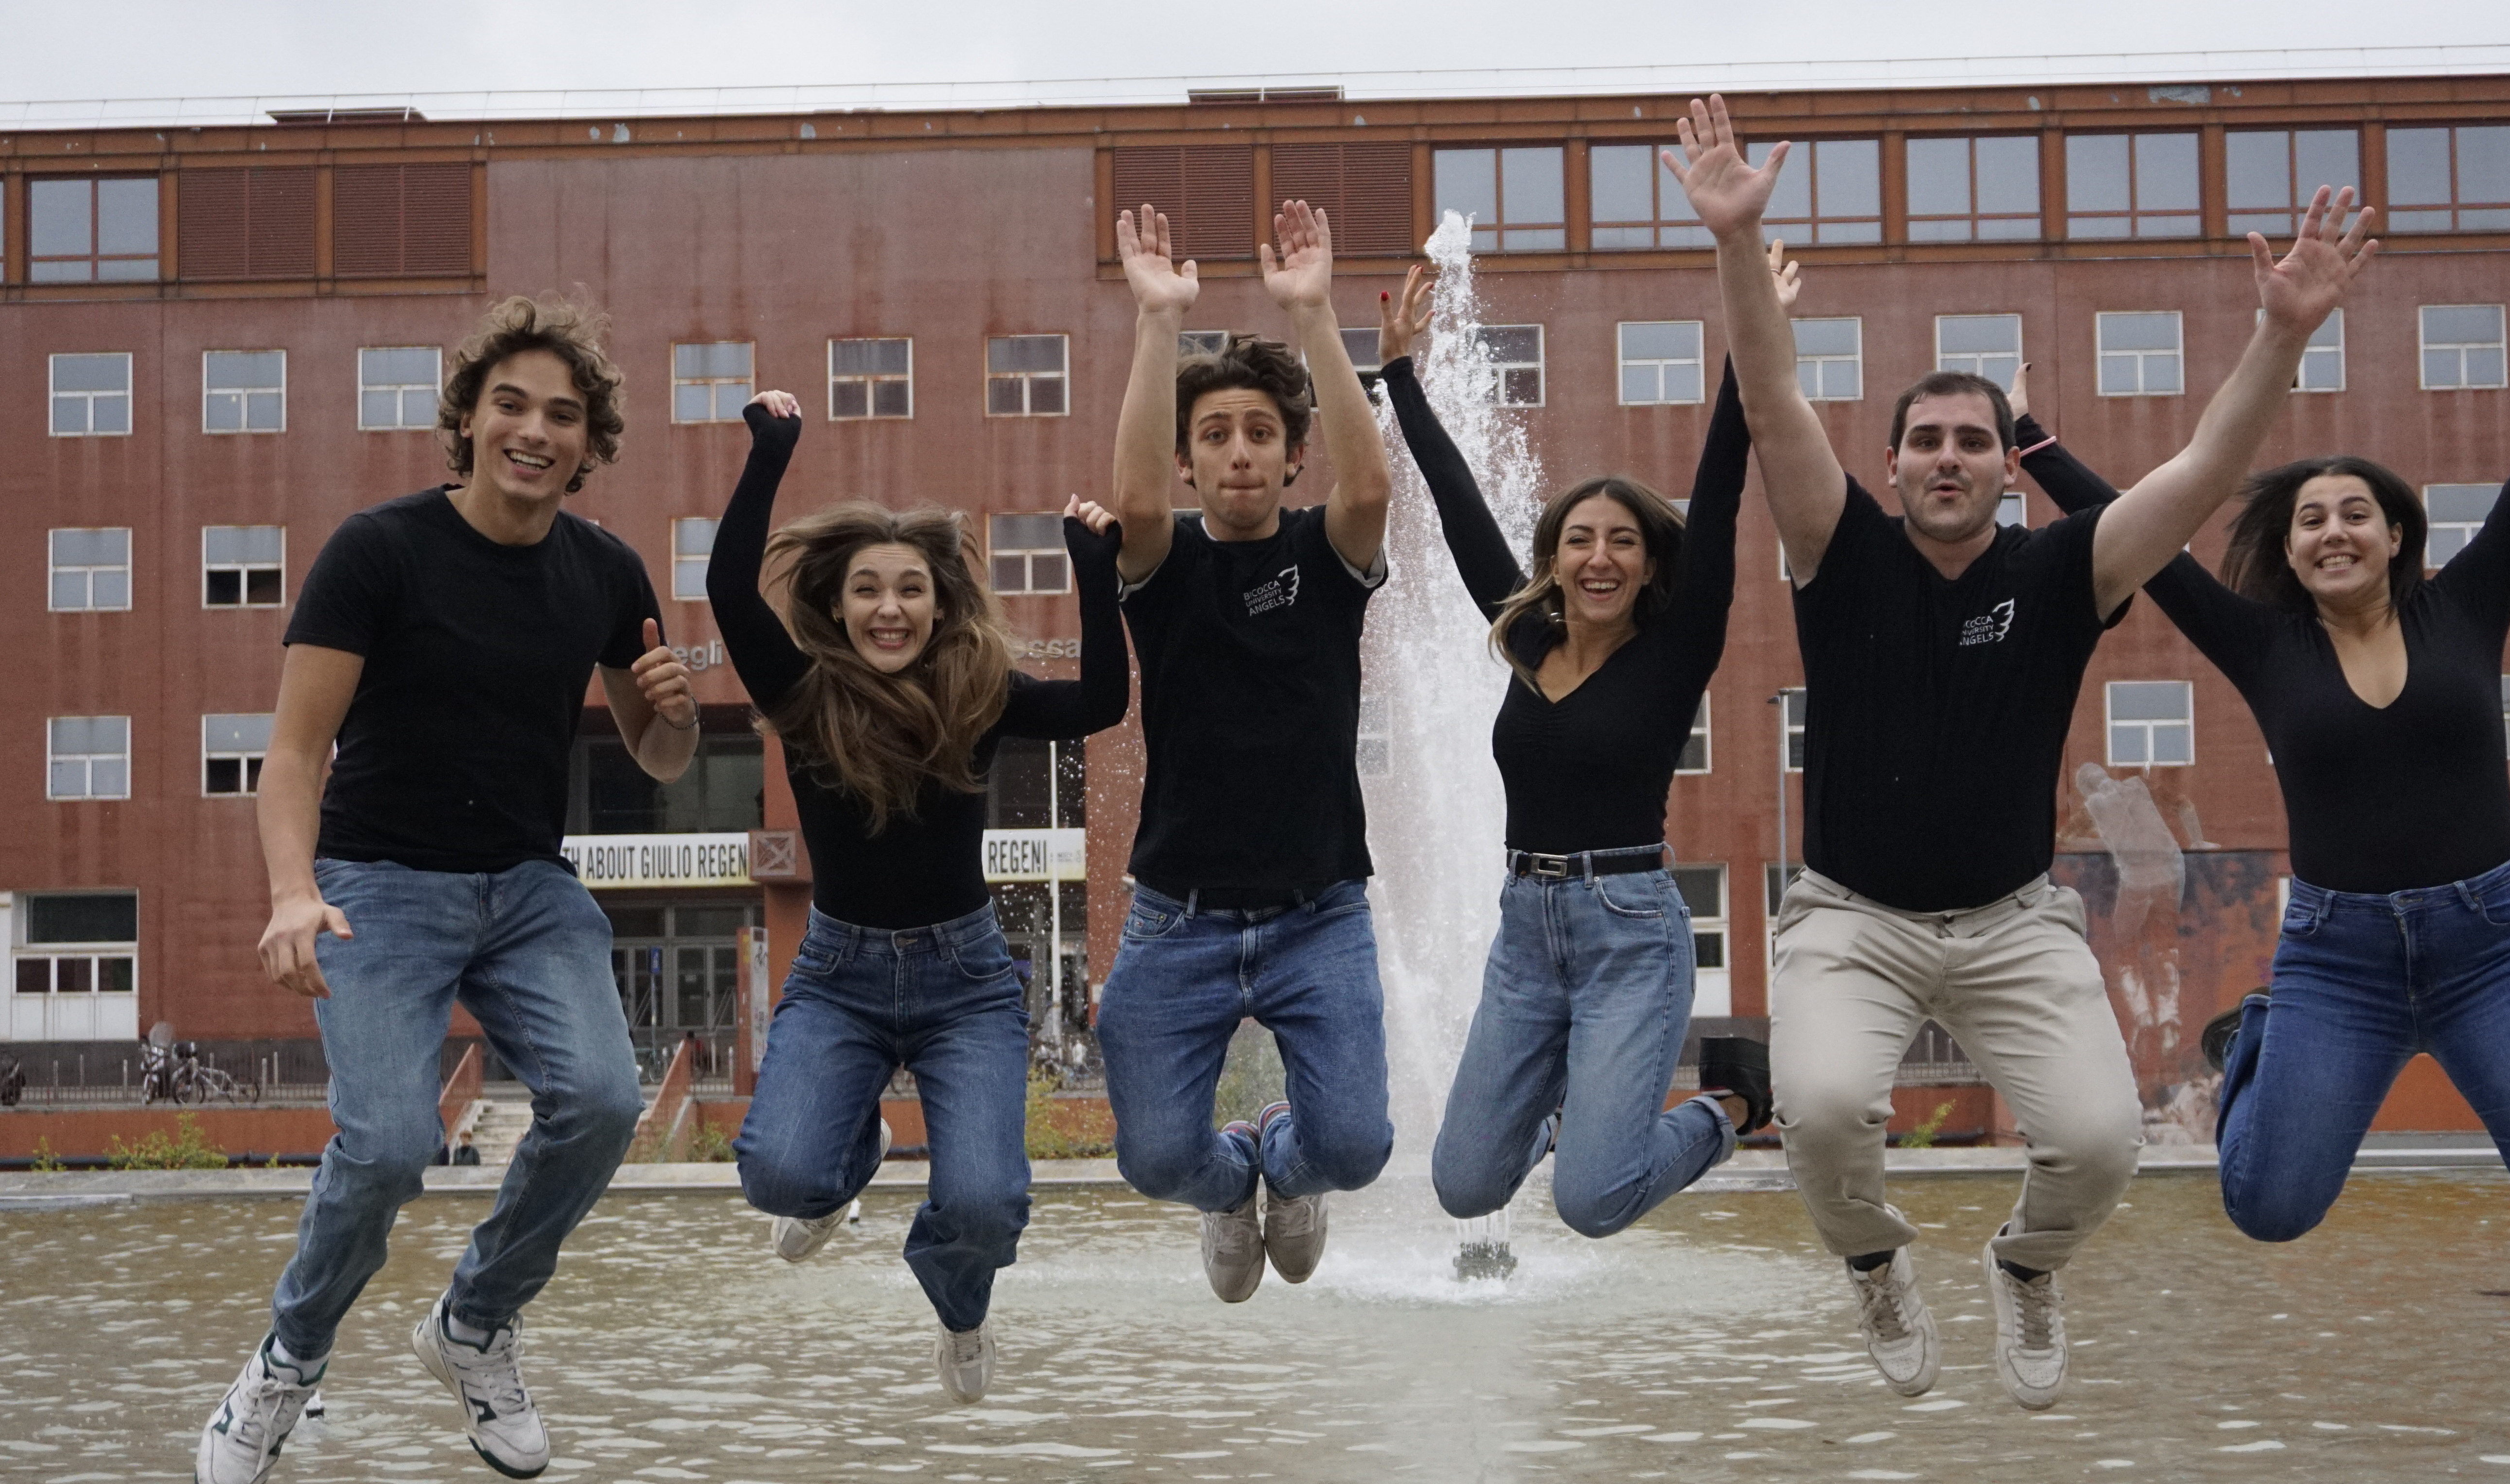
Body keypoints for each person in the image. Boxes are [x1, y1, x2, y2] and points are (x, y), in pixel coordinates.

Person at [1665, 93, 2375, 1409]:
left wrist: (2281, 333)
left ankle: (2027, 1264)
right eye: (1925, 441)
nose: (1948, 459)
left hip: (2012, 924)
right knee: (1820, 1113)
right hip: (1850, 920)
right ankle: (1874, 1260)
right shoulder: (1837, 549)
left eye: (1973, 442)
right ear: (1889, 464)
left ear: (2010, 465)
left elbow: (2204, 469)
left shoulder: (2064, 569)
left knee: (2102, 1145)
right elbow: (1769, 399)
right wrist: (1734, 243)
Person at [2004, 224, 2510, 1246]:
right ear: (2290, 551)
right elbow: (2135, 532)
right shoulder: (2261, 645)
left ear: (2395, 535)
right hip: (2338, 962)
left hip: (2493, 949)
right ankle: (2262, 1032)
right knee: (2267, 1207)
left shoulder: (2466, 605)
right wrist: (2029, 438)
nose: (2332, 530)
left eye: (2354, 513)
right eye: (2309, 520)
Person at [198, 296, 697, 1484]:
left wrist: (675, 710)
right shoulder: (379, 552)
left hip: (526, 885)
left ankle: (474, 1322)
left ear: (588, 443)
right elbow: (293, 752)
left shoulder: (606, 571)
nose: (534, 431)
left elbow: (660, 756)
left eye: (562, 416)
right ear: (467, 420)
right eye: (510, 405)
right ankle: (288, 1359)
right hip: (378, 880)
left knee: (603, 1101)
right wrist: (292, 892)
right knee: (384, 1147)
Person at [711, 391, 1128, 1404]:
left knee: (984, 1204)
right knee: (779, 1176)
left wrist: (1093, 569)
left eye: (910, 589)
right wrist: (769, 454)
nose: (889, 608)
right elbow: (727, 586)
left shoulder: (978, 692)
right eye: (866, 589)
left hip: (965, 983)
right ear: (836, 604)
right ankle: (848, 1158)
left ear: (940, 605)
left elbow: (1102, 702)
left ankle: (958, 1299)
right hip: (840, 977)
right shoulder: (802, 692)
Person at [1372, 257, 1776, 1245]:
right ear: (1553, 558)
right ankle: (1563, 1115)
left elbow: (1721, 485)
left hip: (1629, 933)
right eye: (1580, 539)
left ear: (1649, 563)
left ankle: (1730, 1105)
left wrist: (1748, 327)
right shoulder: (1525, 637)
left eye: (1623, 541)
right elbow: (1460, 507)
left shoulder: (1674, 652)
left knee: (1592, 1201)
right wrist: (1401, 377)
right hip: (1525, 932)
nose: (1600, 556)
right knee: (1465, 1187)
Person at [1097, 198, 1395, 1302]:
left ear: (1292, 454)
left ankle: (1287, 1161)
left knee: (1354, 1145)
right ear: (1188, 461)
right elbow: (1131, 499)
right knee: (1151, 1159)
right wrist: (1157, 321)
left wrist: (1313, 313)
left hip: (1320, 911)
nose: (1238, 453)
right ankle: (1230, 1186)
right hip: (1176, 914)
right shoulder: (1164, 562)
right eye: (1215, 435)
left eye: (1261, 433)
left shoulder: (1325, 553)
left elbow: (1372, 487)